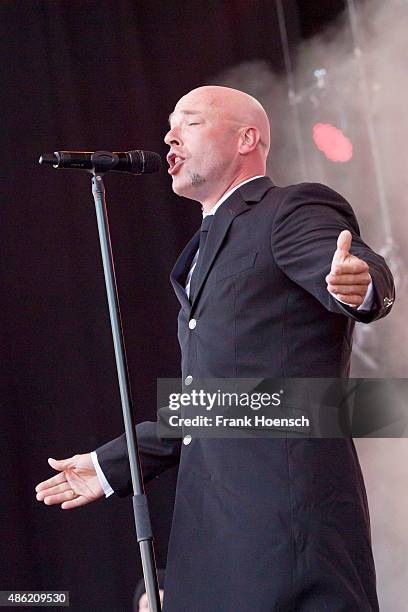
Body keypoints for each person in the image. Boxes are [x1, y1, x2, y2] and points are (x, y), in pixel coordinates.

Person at [36, 86, 395, 611]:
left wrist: (359, 284)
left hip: (284, 535)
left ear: (246, 138)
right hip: (217, 540)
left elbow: (351, 264)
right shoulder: (208, 245)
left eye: (191, 121)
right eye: (169, 123)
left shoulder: (289, 208)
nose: (169, 136)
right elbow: (221, 403)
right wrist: (110, 464)